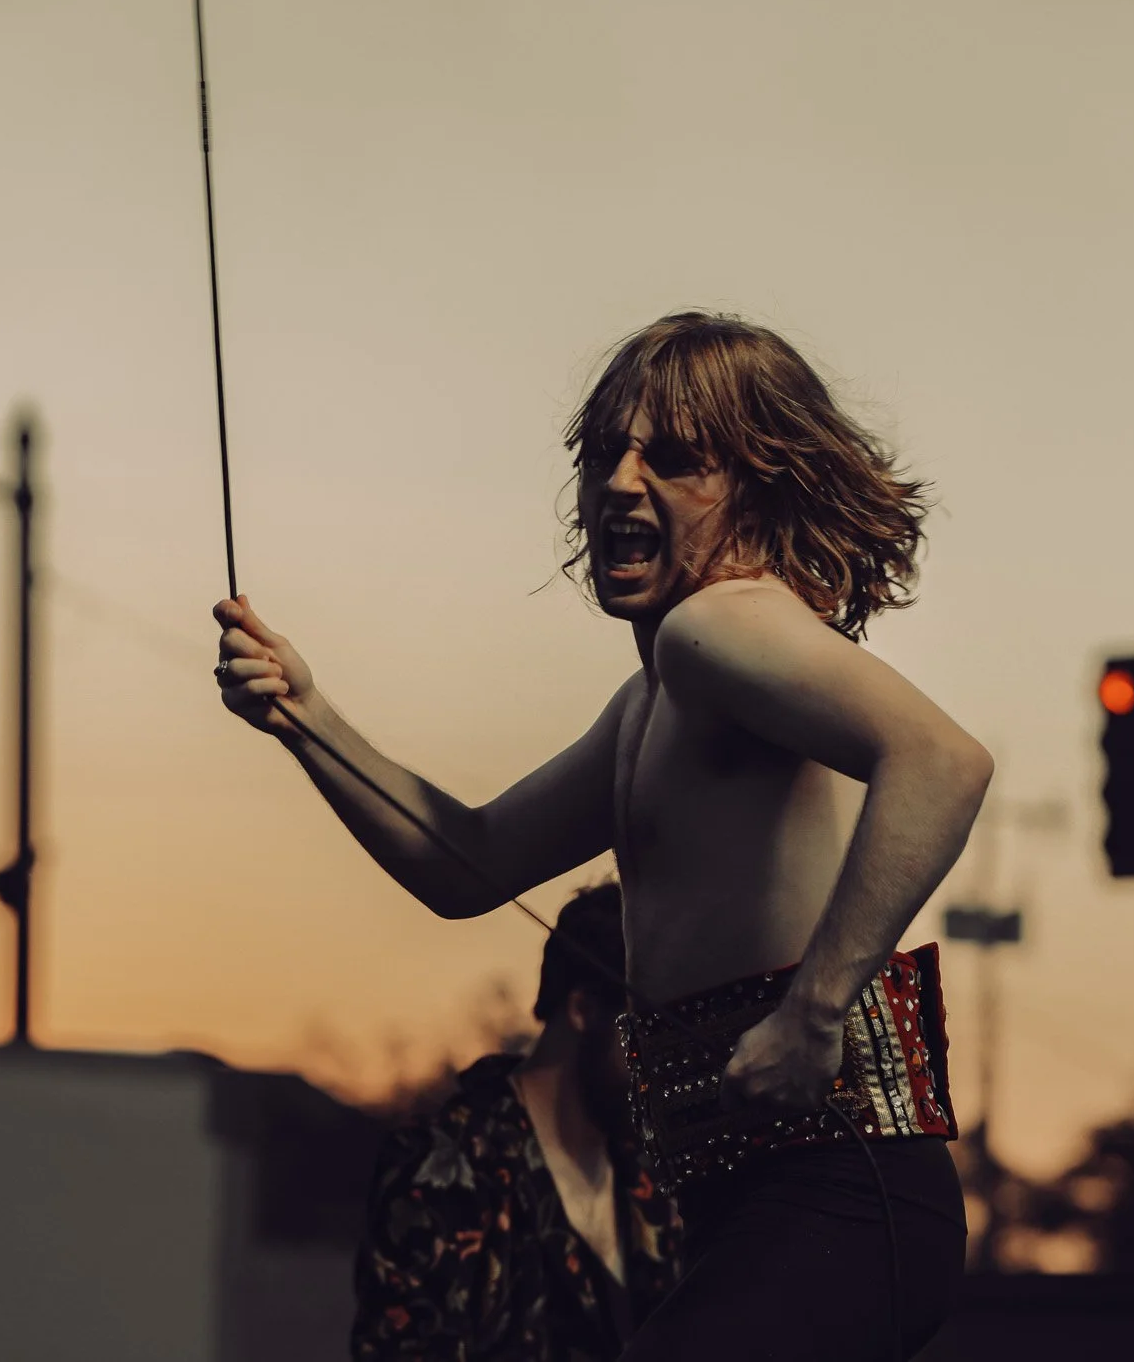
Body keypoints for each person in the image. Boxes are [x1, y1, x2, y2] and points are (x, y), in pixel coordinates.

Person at [214, 311, 993, 1359]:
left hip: (836, 1188)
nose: (620, 483)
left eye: (672, 459)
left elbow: (942, 761)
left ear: (756, 483)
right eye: (604, 454)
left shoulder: (718, 627)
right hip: (764, 1203)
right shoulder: (650, 701)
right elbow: (469, 864)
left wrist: (814, 1010)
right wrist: (305, 717)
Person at [350, 882, 683, 1359]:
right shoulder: (444, 1166)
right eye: (652, 1033)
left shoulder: (650, 1179)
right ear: (585, 1009)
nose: (668, 1065)